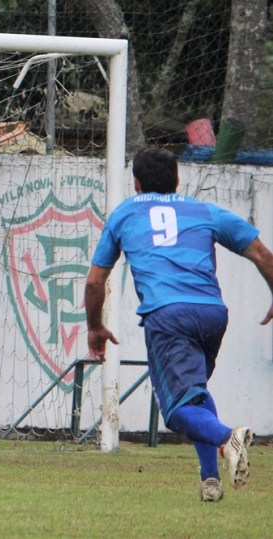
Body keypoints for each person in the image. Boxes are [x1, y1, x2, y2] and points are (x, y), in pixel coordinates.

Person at [85, 147, 273, 502]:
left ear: (136, 183)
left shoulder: (125, 213)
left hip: (168, 315)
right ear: (177, 180)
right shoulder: (203, 210)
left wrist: (95, 327)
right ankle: (210, 480)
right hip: (213, 313)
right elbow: (263, 255)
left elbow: (95, 282)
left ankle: (226, 437)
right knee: (195, 392)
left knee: (176, 410)